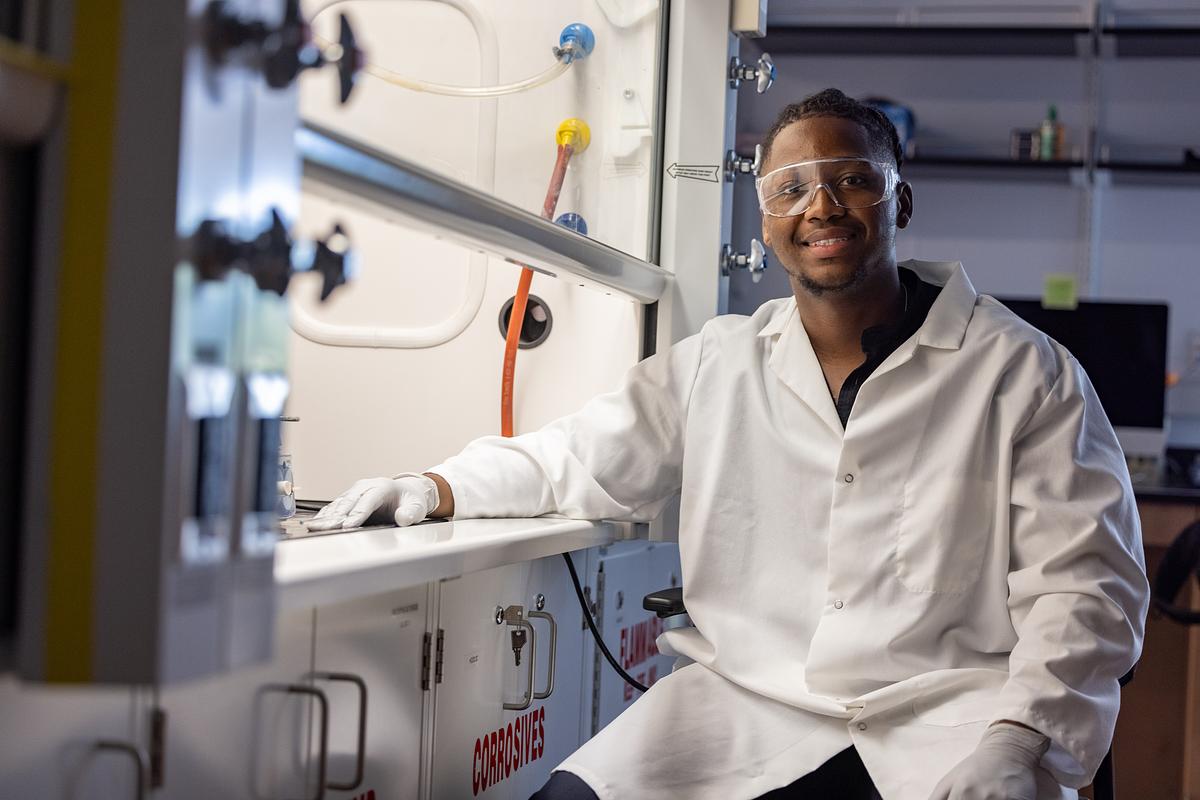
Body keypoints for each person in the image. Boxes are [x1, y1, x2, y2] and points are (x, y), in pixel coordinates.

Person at [308, 88, 1149, 800]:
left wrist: (1019, 741)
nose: (819, 206)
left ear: (899, 202)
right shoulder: (722, 359)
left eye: (851, 180)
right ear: (767, 219)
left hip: (950, 722)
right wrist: (437, 486)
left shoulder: (1023, 371)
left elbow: (1086, 586)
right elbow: (576, 456)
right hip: (745, 712)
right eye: (790, 190)